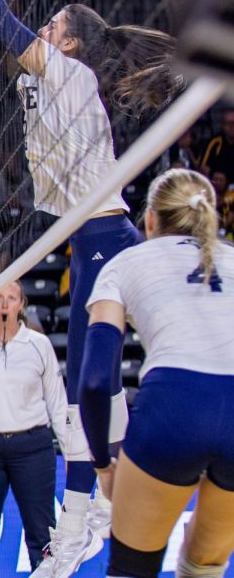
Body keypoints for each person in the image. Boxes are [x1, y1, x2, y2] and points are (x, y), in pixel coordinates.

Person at [0, 0, 181, 574]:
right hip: (95, 240)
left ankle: (87, 516)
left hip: (108, 242)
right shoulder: (64, 81)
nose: (39, 35)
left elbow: (0, 21)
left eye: (50, 28)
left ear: (69, 41)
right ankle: (91, 509)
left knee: (86, 386)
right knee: (89, 383)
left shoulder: (68, 70)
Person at [78, 168, 234, 578]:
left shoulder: (125, 263)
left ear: (149, 220)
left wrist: (103, 465)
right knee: (204, 567)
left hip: (174, 408)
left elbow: (94, 381)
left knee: (132, 569)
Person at [0, 282, 70, 578]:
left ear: (22, 304)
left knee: (42, 536)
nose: (5, 304)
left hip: (32, 446)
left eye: (12, 298)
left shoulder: (39, 345)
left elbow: (57, 404)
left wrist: (73, 455)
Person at [200, 108, 234, 181]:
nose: (232, 127)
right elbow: (204, 170)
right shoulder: (214, 143)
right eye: (228, 123)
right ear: (222, 125)